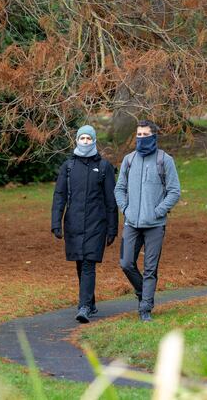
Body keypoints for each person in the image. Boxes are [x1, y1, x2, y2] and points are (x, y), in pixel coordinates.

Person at [115, 120, 181, 322]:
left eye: (145, 135)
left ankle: (145, 308)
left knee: (150, 269)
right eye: (139, 135)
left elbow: (174, 191)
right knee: (126, 263)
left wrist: (158, 211)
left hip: (155, 225)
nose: (141, 138)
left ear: (153, 136)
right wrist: (125, 208)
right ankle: (143, 293)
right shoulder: (129, 160)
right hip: (132, 223)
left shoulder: (164, 160)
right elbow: (119, 189)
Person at [51, 125, 118, 324]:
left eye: (89, 138)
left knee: (89, 263)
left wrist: (112, 228)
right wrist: (56, 222)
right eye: (83, 138)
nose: (86, 141)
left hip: (96, 224)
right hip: (73, 223)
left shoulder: (104, 167)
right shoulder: (68, 167)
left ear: (95, 141)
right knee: (80, 263)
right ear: (77, 140)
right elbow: (59, 195)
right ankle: (91, 301)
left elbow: (110, 201)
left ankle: (84, 307)